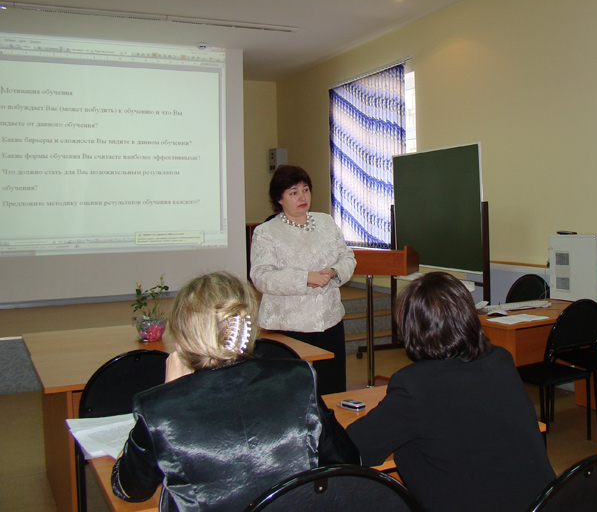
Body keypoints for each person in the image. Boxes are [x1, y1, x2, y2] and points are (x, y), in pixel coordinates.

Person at [111, 271, 359, 512]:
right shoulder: (298, 377)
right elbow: (348, 461)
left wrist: (169, 392)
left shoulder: (159, 408)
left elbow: (129, 488)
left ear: (183, 333)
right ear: (249, 325)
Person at [346, 271, 555, 512]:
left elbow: (354, 450)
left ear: (411, 328)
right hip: (542, 504)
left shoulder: (414, 386)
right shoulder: (500, 360)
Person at [250, 165, 356, 395]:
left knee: (331, 390)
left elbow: (347, 257)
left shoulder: (326, 222)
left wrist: (334, 271)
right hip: (288, 326)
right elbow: (261, 276)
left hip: (329, 321)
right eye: (294, 192)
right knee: (292, 393)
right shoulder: (266, 232)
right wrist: (305, 278)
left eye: (306, 190)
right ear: (279, 199)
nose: (302, 197)